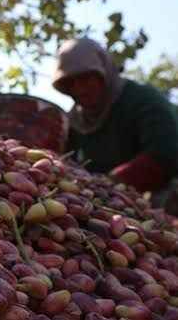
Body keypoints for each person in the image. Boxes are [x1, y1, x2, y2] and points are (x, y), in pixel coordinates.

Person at [52, 38, 178, 209]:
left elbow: (165, 153)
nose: (79, 89)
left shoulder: (142, 100)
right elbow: (66, 165)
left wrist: (109, 182)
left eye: (86, 78)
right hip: (107, 202)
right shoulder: (74, 121)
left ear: (104, 73)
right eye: (70, 83)